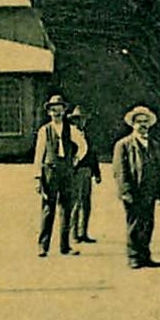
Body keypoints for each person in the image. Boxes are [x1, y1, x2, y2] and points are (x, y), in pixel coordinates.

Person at [113, 106, 160, 269]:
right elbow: (120, 170)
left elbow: (159, 168)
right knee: (134, 223)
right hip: (134, 190)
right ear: (132, 124)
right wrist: (125, 191)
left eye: (145, 122)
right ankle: (133, 256)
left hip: (149, 190)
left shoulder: (154, 145)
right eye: (139, 122)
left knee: (148, 223)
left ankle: (145, 255)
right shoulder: (123, 145)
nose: (143, 125)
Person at [33, 94, 87, 257]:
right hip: (50, 171)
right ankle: (43, 246)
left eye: (59, 109)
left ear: (64, 110)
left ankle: (65, 246)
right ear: (49, 112)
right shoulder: (44, 130)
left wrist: (76, 159)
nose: (56, 113)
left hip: (67, 172)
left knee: (67, 208)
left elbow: (83, 145)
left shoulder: (71, 129)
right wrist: (37, 178)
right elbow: (38, 155)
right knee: (48, 208)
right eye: (53, 110)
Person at [68, 106, 102, 244]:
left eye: (84, 119)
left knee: (86, 203)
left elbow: (93, 154)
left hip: (87, 171)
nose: (81, 122)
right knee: (75, 202)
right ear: (74, 120)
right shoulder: (70, 134)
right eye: (79, 119)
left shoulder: (87, 135)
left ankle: (83, 232)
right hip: (76, 171)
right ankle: (74, 233)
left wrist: (97, 173)